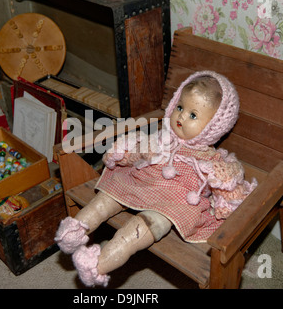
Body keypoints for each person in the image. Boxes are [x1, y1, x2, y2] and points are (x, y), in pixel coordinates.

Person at [55, 71, 257, 287]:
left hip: (172, 203)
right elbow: (140, 149)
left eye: (193, 115)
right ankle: (74, 230)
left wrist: (226, 202)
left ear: (214, 126)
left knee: (139, 229)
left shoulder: (212, 160)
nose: (181, 116)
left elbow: (230, 188)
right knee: (106, 198)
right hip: (143, 181)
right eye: (180, 108)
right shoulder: (162, 138)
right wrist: (127, 153)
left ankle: (97, 266)